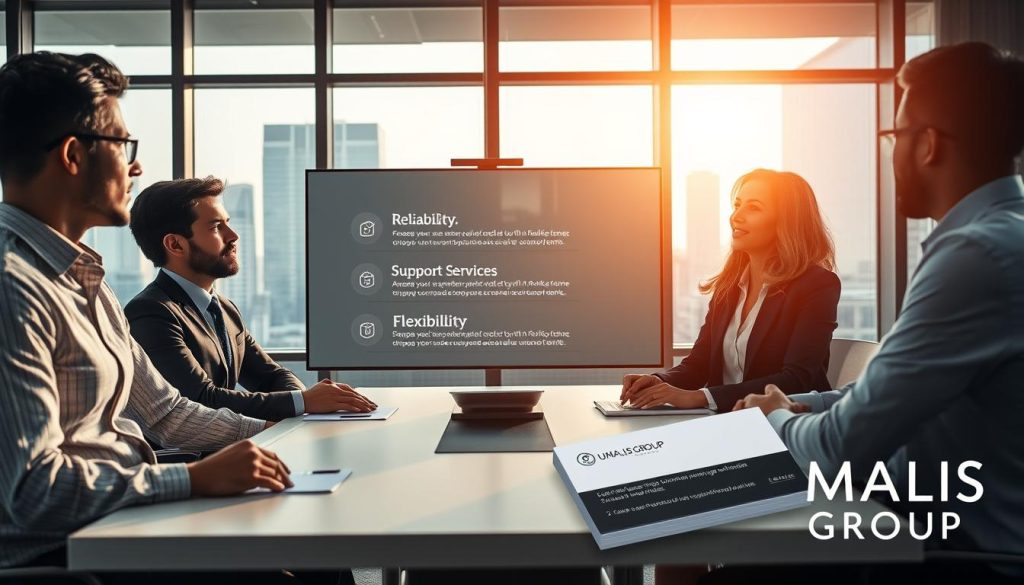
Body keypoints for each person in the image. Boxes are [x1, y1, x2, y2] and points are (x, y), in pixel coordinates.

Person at [0, 52, 302, 584]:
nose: (136, 167)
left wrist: (283, 433)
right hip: (67, 558)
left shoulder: (85, 281)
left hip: (122, 525)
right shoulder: (13, 287)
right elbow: (32, 493)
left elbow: (168, 414)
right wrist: (191, 480)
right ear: (73, 155)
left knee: (308, 549)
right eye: (123, 146)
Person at [728, 42, 1024, 584]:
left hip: (955, 558)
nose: (891, 152)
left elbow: (842, 449)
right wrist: (802, 404)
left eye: (895, 135)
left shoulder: (975, 256)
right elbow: (900, 394)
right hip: (921, 525)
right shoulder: (1001, 238)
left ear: (928, 145)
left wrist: (773, 420)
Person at [126, 177, 376, 421]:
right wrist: (304, 401)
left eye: (228, 223)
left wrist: (308, 401)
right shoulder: (150, 312)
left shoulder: (223, 308)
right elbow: (200, 400)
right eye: (215, 227)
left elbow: (271, 376)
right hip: (191, 460)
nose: (233, 235)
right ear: (175, 245)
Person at [621, 169, 840, 412]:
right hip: (726, 424)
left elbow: (796, 380)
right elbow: (699, 364)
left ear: (786, 220)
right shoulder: (730, 285)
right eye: (737, 205)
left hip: (785, 428)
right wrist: (660, 381)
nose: (736, 216)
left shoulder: (817, 285)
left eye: (754, 208)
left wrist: (700, 398)